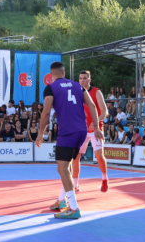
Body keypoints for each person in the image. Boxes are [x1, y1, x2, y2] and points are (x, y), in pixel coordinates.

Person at [36, 62, 102, 220]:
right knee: (67, 166)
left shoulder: (50, 87)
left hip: (67, 132)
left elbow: (45, 113)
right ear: (64, 72)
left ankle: (73, 208)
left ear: (51, 74)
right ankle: (61, 200)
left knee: (62, 168)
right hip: (82, 131)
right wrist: (98, 128)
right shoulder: (78, 86)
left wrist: (40, 133)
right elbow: (92, 106)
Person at [72, 70, 109, 193]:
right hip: (81, 129)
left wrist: (96, 121)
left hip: (95, 128)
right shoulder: (76, 93)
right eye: (80, 78)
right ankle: (75, 185)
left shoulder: (96, 92)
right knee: (75, 157)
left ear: (89, 80)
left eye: (84, 78)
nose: (82, 80)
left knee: (99, 155)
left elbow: (105, 111)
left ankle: (104, 179)